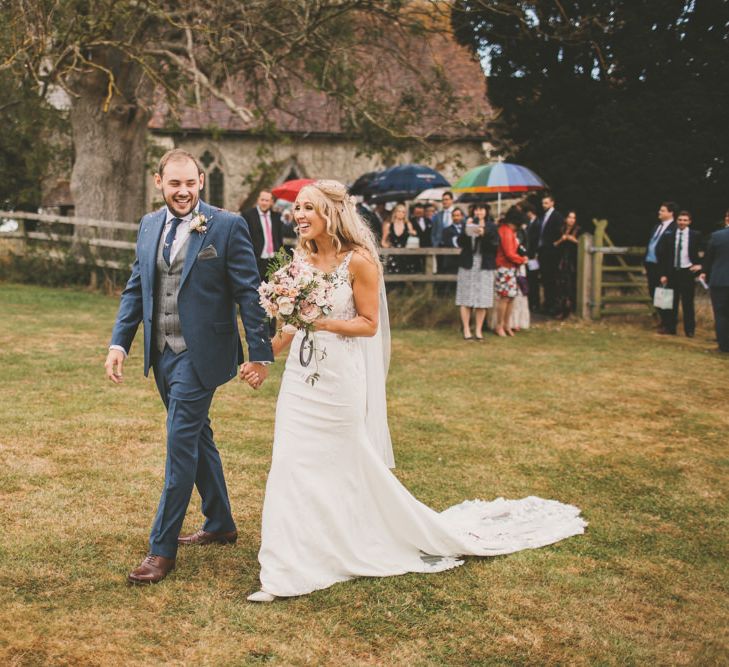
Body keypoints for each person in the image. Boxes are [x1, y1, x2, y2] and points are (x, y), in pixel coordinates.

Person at [242, 179, 586, 602]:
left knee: (342, 462)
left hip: (340, 380)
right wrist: (264, 357)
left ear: (332, 213)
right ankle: (282, 568)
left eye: (309, 208)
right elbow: (291, 322)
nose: (299, 216)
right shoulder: (299, 258)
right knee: (290, 463)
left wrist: (323, 322)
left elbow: (368, 324)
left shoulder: (360, 261)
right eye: (297, 209)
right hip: (300, 378)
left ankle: (346, 540)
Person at [104, 149, 273, 585]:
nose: (183, 191)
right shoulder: (148, 225)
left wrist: (260, 351)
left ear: (201, 181)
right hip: (162, 352)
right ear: (159, 182)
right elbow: (135, 287)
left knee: (179, 444)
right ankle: (220, 522)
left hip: (202, 355)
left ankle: (160, 550)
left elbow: (248, 292)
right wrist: (119, 343)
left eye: (190, 183)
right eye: (174, 183)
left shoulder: (227, 225)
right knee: (198, 435)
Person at [454, 203, 499, 340]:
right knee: (465, 297)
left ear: (486, 211)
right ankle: (467, 329)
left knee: (482, 298)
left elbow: (495, 245)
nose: (479, 212)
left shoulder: (491, 226)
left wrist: (484, 234)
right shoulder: (468, 223)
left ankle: (478, 330)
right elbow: (460, 243)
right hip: (468, 263)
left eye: (482, 209)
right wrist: (466, 231)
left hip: (484, 264)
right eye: (477, 210)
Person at [657, 210, 702, 337]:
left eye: (685, 220)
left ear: (689, 222)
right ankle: (671, 328)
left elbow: (706, 251)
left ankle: (690, 330)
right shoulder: (669, 235)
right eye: (680, 220)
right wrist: (663, 274)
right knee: (671, 301)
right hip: (672, 272)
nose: (682, 222)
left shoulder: (695, 235)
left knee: (688, 302)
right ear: (677, 221)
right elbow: (663, 256)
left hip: (687, 271)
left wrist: (700, 265)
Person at [494, 207, 529, 337]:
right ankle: (500, 325)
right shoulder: (505, 231)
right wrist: (521, 259)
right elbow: (509, 253)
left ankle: (506, 324)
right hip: (504, 267)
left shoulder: (508, 231)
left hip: (510, 267)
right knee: (505, 298)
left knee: (510, 297)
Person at [644, 202, 678, 333]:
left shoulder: (674, 229)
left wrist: (666, 273)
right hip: (651, 265)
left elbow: (671, 253)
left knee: (666, 296)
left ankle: (670, 325)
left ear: (671, 213)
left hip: (663, 267)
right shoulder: (656, 227)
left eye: (663, 210)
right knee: (654, 294)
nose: (659, 212)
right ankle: (663, 321)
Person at [700, 209, 729, 352]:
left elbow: (709, 258)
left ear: (726, 219)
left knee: (721, 314)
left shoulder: (717, 236)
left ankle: (723, 346)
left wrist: (704, 272)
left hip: (720, 280)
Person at [243, 190, 284, 282]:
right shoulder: (248, 215)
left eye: (267, 200)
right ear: (258, 200)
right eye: (262, 200)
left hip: (274, 260)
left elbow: (279, 238)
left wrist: (280, 256)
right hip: (257, 260)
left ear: (271, 202)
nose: (264, 203)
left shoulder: (277, 217)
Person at [535, 194, 564, 316]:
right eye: (543, 203)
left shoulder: (556, 216)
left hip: (551, 252)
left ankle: (552, 305)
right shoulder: (543, 217)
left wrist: (552, 245)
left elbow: (557, 232)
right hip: (543, 251)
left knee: (551, 279)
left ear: (552, 203)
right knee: (545, 278)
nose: (543, 205)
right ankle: (547, 304)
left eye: (546, 203)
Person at [554, 211, 582, 319]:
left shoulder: (578, 230)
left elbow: (582, 244)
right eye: (569, 217)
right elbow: (554, 244)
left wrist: (573, 240)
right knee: (561, 286)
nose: (571, 220)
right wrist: (562, 239)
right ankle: (561, 309)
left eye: (573, 218)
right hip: (561, 261)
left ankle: (570, 310)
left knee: (570, 286)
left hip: (572, 262)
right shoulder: (561, 229)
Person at [381, 202, 416, 273]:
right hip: (393, 256)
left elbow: (414, 236)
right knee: (393, 278)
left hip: (406, 255)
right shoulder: (388, 225)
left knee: (406, 277)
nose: (401, 213)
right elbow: (383, 242)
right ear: (395, 212)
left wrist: (413, 233)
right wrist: (389, 247)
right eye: (399, 211)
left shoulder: (408, 224)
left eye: (403, 212)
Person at [523, 203, 541, 312]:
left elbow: (535, 239)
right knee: (530, 278)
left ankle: (535, 302)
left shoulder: (537, 223)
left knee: (533, 279)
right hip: (529, 254)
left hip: (533, 255)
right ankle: (532, 301)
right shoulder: (529, 223)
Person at [439, 206, 465, 274]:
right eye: (454, 216)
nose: (456, 218)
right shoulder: (446, 230)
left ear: (462, 216)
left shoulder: (466, 229)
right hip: (452, 262)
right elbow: (449, 244)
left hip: (465, 261)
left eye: (458, 215)